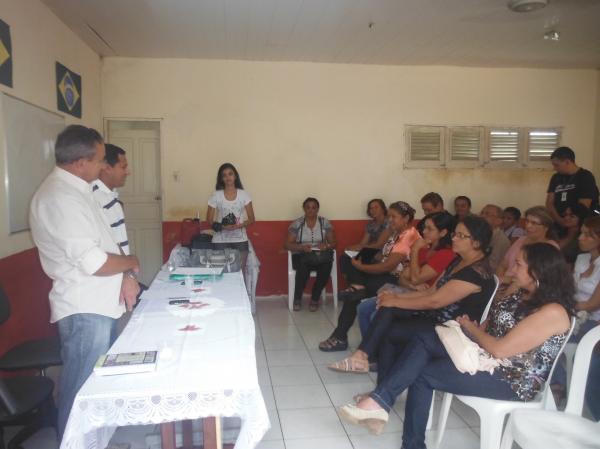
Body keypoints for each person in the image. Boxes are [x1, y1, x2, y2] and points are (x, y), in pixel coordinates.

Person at [339, 243, 574, 447]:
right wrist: (476, 329)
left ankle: (384, 407)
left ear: (538, 271)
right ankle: (383, 406)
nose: (512, 269)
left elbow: (500, 349)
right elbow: (492, 326)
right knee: (423, 341)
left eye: (519, 265)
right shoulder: (521, 293)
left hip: (510, 380)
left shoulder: (552, 312)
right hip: (485, 358)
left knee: (423, 370)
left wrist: (471, 329)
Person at [29, 125, 141, 440]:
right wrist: (130, 264)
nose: (104, 166)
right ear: (81, 162)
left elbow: (109, 241)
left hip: (101, 303)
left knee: (96, 385)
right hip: (84, 308)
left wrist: (128, 276)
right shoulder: (58, 198)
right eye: (100, 160)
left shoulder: (81, 190)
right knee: (80, 391)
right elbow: (96, 262)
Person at [328, 216, 495, 374]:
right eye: (454, 234)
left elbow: (434, 301)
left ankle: (366, 362)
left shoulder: (476, 273)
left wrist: (395, 300)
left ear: (476, 242)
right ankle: (362, 358)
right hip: (432, 312)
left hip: (450, 326)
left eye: (460, 235)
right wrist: (394, 298)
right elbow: (430, 291)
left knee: (388, 319)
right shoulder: (458, 260)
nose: (454, 238)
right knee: (387, 308)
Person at [319, 201, 420, 351]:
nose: (390, 220)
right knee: (347, 260)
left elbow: (388, 266)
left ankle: (340, 337)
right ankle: (356, 287)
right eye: (389, 216)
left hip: (396, 280)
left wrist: (362, 266)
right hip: (386, 275)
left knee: (353, 295)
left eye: (394, 217)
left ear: (406, 218)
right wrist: (366, 257)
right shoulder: (396, 232)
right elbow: (383, 256)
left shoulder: (408, 236)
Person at [357, 211, 457, 336]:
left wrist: (414, 249)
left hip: (425, 300)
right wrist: (412, 285)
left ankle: (374, 350)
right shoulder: (425, 249)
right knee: (363, 307)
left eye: (430, 229)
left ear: (443, 233)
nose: (424, 231)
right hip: (410, 291)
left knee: (376, 314)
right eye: (425, 227)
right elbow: (402, 277)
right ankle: (369, 349)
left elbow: (415, 278)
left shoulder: (445, 254)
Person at [285, 197, 336, 311]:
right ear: (304, 209)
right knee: (303, 267)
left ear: (318, 209)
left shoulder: (324, 223)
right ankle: (297, 298)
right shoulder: (297, 224)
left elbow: (333, 243)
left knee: (327, 265)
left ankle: (315, 298)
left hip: (320, 256)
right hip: (301, 255)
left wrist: (326, 246)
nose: (311, 210)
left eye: (314, 207)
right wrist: (301, 247)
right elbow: (287, 245)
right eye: (308, 207)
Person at [206, 163, 255, 269]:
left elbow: (252, 219)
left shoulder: (244, 195)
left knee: (239, 273)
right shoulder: (216, 195)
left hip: (240, 240)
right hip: (220, 240)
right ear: (221, 179)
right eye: (224, 175)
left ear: (235, 176)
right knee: (220, 272)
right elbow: (209, 220)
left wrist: (239, 225)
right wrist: (223, 227)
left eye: (230, 174)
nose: (228, 177)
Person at [496, 206, 559, 285]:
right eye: (527, 221)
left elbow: (536, 279)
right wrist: (498, 283)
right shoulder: (521, 240)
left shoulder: (550, 247)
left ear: (546, 227)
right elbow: (503, 265)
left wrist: (505, 280)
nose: (528, 226)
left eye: (534, 223)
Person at [546, 146, 599, 228]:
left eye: (557, 165)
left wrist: (570, 222)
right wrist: (560, 220)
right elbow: (549, 203)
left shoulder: (585, 176)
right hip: (558, 223)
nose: (554, 168)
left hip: (579, 225)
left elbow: (584, 205)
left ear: (567, 162)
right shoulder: (556, 177)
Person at [92, 144, 131, 255]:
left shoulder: (110, 196)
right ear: (107, 168)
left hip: (120, 267)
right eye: (123, 167)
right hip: (111, 269)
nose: (128, 172)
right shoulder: (96, 198)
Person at [340, 199, 391, 274]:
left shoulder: (388, 223)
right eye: (371, 208)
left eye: (376, 207)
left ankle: (358, 282)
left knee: (361, 258)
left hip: (383, 252)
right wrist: (352, 248)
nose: (373, 210)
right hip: (370, 250)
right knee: (345, 256)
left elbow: (379, 245)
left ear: (383, 209)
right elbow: (363, 242)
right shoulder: (370, 224)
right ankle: (355, 283)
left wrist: (361, 248)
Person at [480, 204, 511, 271]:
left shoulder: (501, 240)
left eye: (487, 214)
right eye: (482, 213)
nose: (482, 216)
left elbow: (493, 266)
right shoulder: (481, 234)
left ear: (498, 221)